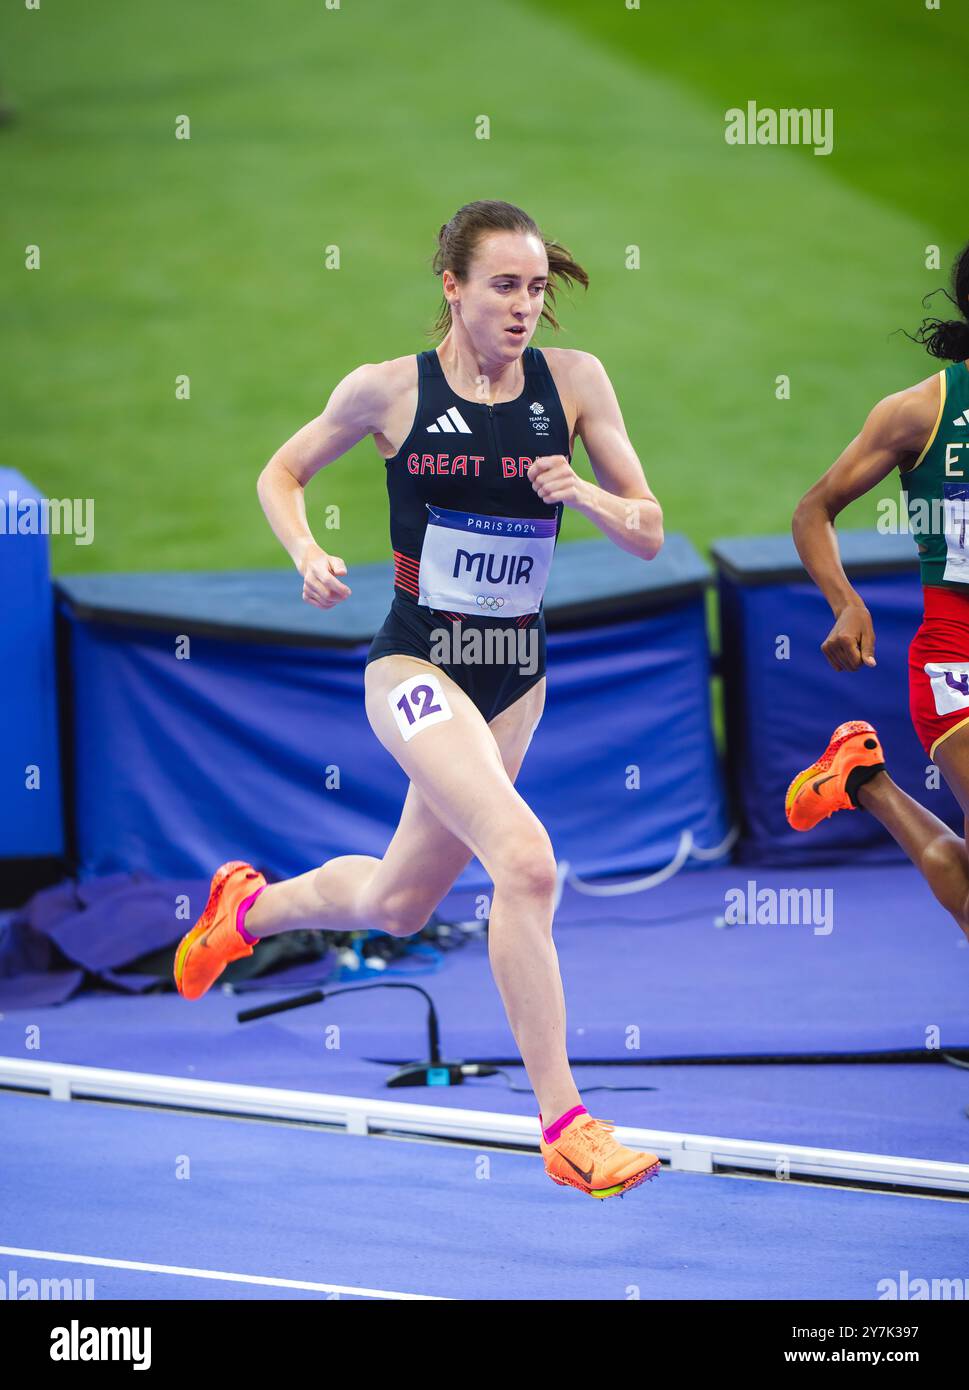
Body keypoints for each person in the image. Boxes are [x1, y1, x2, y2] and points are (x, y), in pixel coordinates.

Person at [174, 200, 665, 1198]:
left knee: (401, 903)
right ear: (453, 285)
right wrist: (306, 547)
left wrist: (593, 499)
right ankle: (566, 1122)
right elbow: (282, 469)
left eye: (536, 288)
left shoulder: (574, 384)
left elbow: (650, 529)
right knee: (524, 862)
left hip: (514, 676)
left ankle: (245, 908)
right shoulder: (387, 390)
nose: (525, 307)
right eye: (504, 286)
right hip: (414, 667)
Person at [785, 240, 969, 945]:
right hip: (955, 664)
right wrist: (845, 602)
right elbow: (813, 509)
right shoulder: (921, 412)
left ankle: (864, 781)